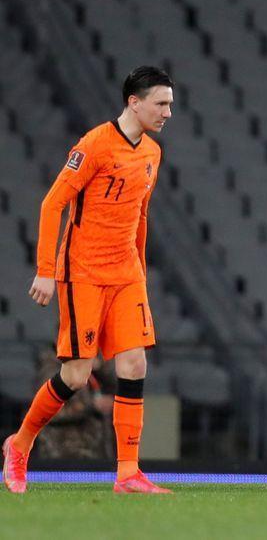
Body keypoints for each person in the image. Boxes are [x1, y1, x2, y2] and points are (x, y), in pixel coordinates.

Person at [4, 66, 174, 495]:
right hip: (83, 272)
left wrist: (140, 269)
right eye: (162, 103)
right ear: (134, 102)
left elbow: (141, 215)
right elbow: (52, 203)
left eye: (170, 104)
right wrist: (46, 270)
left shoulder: (152, 153)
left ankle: (128, 473)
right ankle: (19, 444)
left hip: (126, 273)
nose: (168, 112)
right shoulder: (95, 145)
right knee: (77, 376)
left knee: (135, 363)